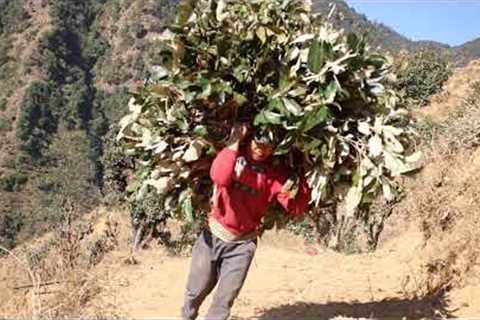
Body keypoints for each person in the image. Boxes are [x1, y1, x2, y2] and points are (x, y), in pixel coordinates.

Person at [181, 123, 311, 320]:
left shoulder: (274, 175)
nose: (261, 149)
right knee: (195, 291)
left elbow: (295, 207)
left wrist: (303, 177)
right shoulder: (234, 158)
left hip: (242, 246)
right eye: (258, 143)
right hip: (212, 236)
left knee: (223, 302)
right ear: (249, 140)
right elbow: (219, 177)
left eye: (268, 145)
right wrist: (234, 141)